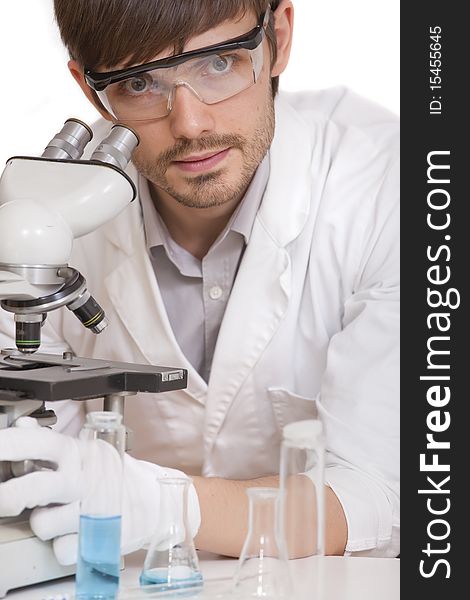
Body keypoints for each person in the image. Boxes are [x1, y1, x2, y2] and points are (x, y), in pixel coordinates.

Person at [0, 0, 399, 565]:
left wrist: (168, 507)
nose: (190, 124)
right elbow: (42, 475)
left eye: (219, 64)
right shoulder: (45, 214)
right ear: (90, 92)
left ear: (279, 37)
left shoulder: (394, 189)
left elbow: (376, 496)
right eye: (138, 81)